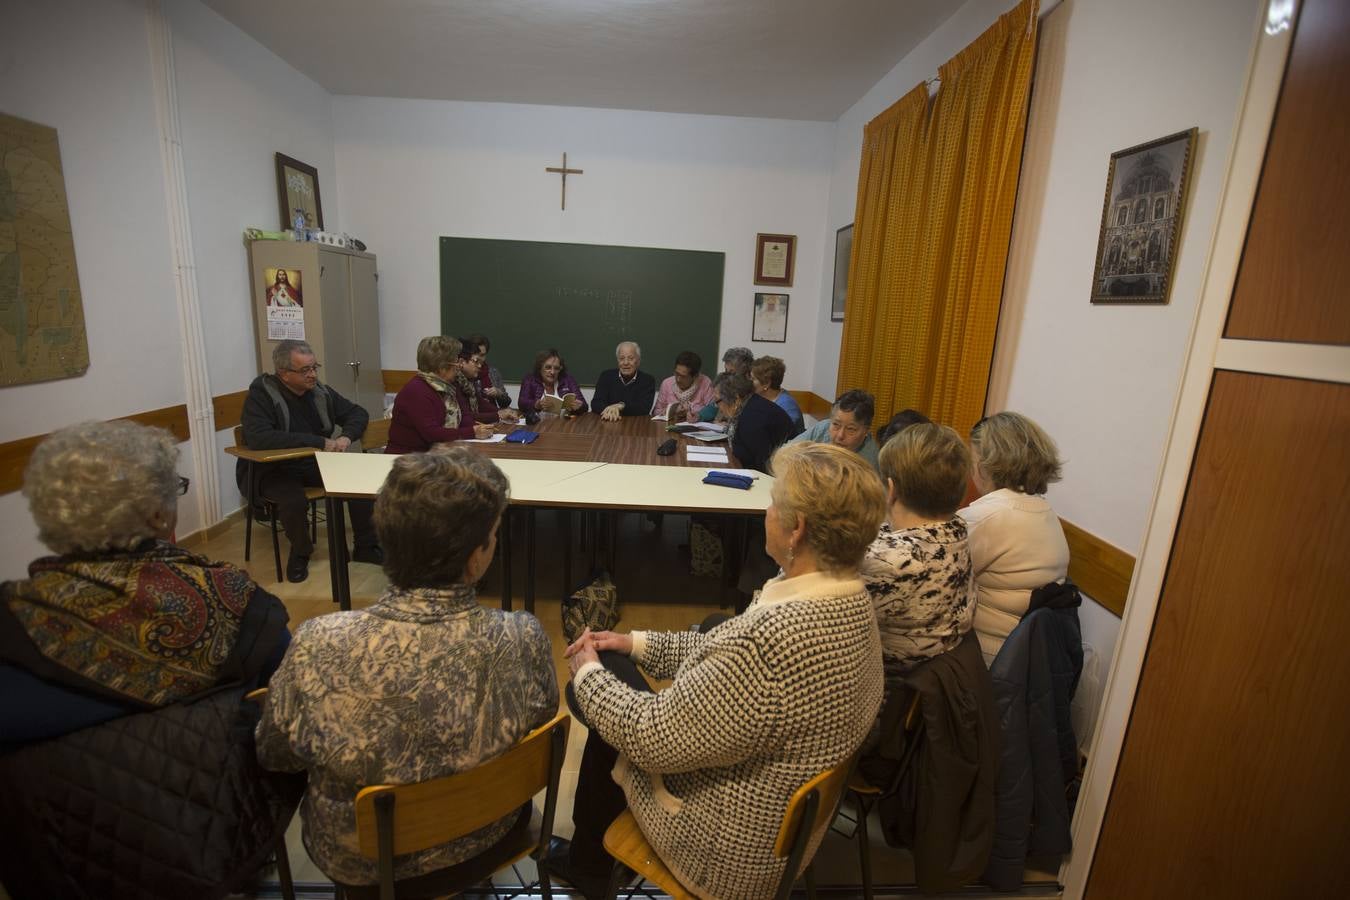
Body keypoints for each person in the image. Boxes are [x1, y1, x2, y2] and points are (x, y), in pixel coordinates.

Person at [549, 442, 886, 900]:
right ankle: (588, 859)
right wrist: (636, 644)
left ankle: (588, 866)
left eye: (773, 503)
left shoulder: (769, 641)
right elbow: (721, 646)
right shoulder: (850, 599)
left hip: (726, 854)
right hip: (782, 828)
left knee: (595, 689)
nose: (767, 511)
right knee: (617, 666)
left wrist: (589, 673)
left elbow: (653, 738)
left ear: (797, 529)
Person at [0, 421, 296, 899]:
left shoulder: (11, 628)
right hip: (231, 844)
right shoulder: (243, 607)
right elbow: (284, 722)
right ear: (160, 516)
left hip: (57, 869)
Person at [256, 448, 558, 887]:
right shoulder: (522, 635)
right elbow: (540, 718)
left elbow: (274, 753)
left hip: (363, 862)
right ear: (476, 557)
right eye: (493, 536)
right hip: (488, 835)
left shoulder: (319, 642)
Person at [238, 339, 382, 583]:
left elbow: (358, 413)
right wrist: (317, 441)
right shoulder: (261, 394)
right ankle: (301, 552)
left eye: (315, 367)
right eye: (305, 370)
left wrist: (346, 437)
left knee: (358, 480)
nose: (313, 374)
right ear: (284, 374)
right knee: (292, 499)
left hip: (311, 463)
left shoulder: (319, 392)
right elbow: (259, 437)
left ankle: (365, 547)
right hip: (272, 469)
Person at [861, 423, 976, 684]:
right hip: (928, 699)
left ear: (890, 490)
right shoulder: (956, 532)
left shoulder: (887, 561)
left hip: (873, 699)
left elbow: (803, 621)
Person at [959, 412, 1070, 663]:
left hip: (984, 661)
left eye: (973, 458)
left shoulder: (986, 517)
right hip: (1026, 658)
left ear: (987, 464)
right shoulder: (1043, 511)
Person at [385, 335, 495, 453]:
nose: (458, 366)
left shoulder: (446, 387)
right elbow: (432, 433)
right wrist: (472, 432)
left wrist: (480, 429)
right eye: (455, 362)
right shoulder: (416, 391)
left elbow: (464, 417)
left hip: (436, 455)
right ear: (442, 368)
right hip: (409, 460)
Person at [715, 372, 793, 474]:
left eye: (717, 401)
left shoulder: (752, 417)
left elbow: (761, 466)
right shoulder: (749, 406)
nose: (717, 406)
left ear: (736, 399)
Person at [790, 388, 881, 470]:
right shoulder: (822, 428)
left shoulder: (871, 462)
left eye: (850, 429)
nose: (840, 435)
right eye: (836, 424)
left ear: (866, 431)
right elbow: (787, 452)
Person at [452, 337, 520, 429]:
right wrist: (499, 415)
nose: (480, 365)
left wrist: (505, 412)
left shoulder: (468, 381)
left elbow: (481, 404)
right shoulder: (454, 382)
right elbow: (465, 416)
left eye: (483, 355)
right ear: (462, 362)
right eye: (476, 361)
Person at [591, 340, 656, 420]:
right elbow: (596, 403)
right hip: (608, 421)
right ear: (617, 360)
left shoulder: (648, 380)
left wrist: (621, 406)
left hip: (635, 426)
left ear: (638, 361)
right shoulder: (606, 376)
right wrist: (611, 410)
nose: (625, 362)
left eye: (631, 358)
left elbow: (644, 408)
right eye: (621, 358)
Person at [518, 348, 587, 417]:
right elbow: (522, 404)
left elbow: (585, 406)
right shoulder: (530, 380)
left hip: (563, 424)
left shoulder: (568, 380)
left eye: (556, 368)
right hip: (537, 424)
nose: (552, 372)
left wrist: (579, 407)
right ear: (540, 367)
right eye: (548, 367)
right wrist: (536, 405)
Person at [653, 350, 715, 422]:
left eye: (683, 376)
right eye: (676, 373)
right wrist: (668, 412)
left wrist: (692, 412)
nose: (678, 379)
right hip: (670, 427)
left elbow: (713, 409)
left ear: (694, 376)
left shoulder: (705, 383)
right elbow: (656, 411)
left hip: (694, 428)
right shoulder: (667, 383)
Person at [750, 355, 805, 437]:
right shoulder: (758, 398)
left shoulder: (787, 406)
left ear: (767, 383)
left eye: (753, 379)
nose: (749, 382)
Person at [466, 332, 512, 408]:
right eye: (476, 353)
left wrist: (498, 393)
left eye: (482, 355)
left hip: (492, 415)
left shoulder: (492, 372)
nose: (479, 358)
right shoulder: (463, 373)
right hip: (474, 416)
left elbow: (506, 403)